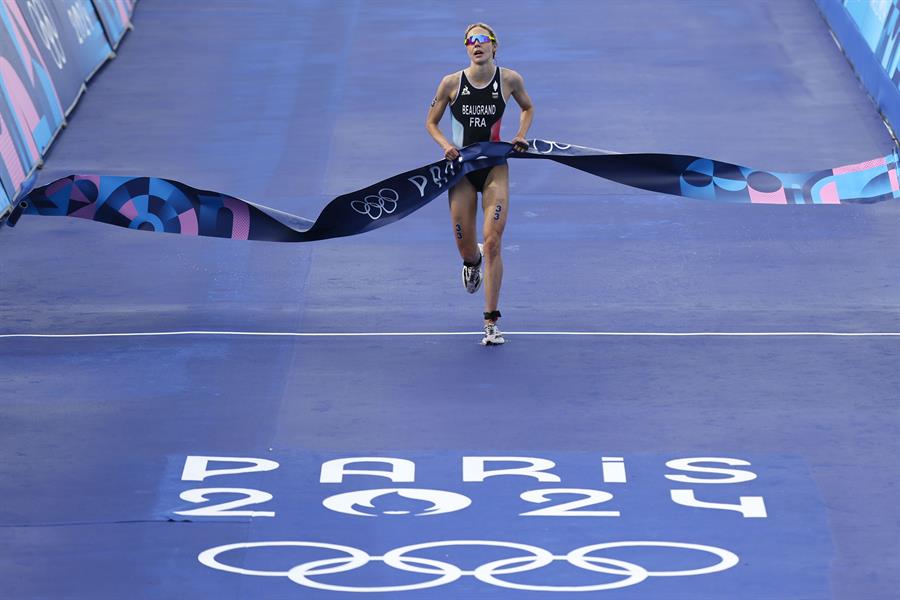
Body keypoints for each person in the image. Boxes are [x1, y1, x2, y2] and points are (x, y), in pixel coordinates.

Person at [425, 23, 534, 346]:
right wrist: (445, 144)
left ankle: (491, 322)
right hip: (461, 171)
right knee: (467, 246)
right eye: (471, 41)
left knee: (494, 240)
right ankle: (473, 263)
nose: (476, 45)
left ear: (494, 46)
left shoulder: (510, 80)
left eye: (482, 39)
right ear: (466, 48)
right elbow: (431, 122)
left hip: (494, 169)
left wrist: (520, 135)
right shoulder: (451, 83)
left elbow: (527, 107)